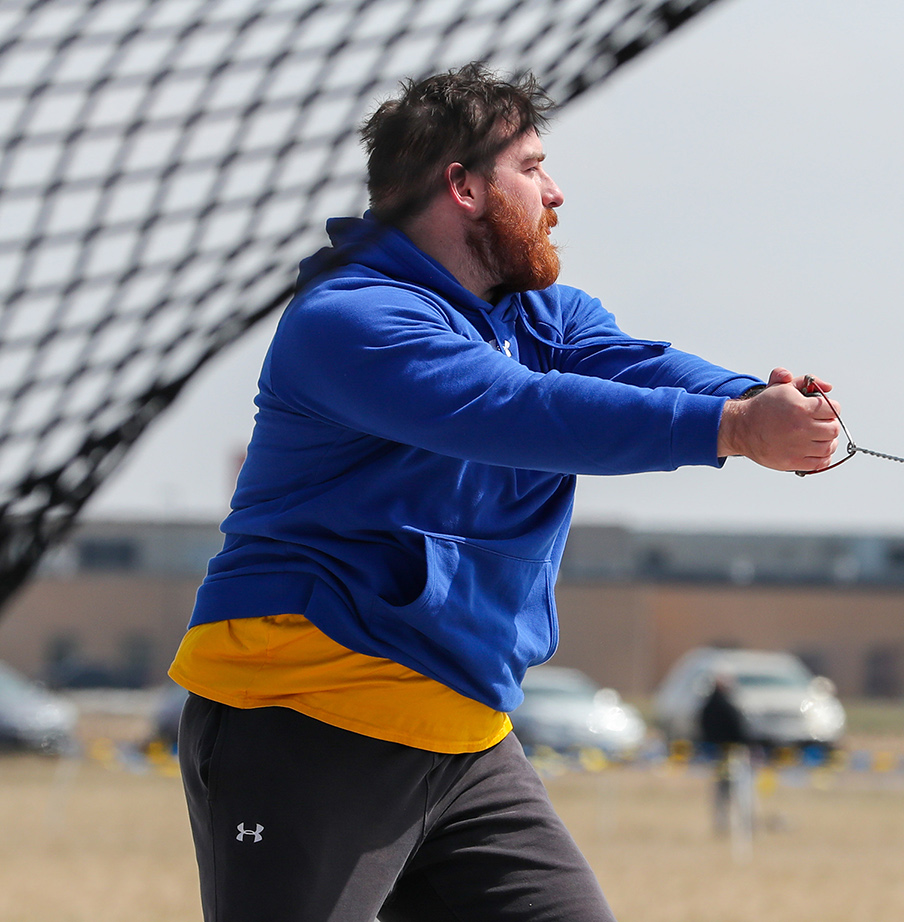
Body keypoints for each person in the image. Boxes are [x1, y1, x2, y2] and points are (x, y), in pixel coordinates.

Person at [167, 62, 840, 922]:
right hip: (304, 717)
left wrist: (753, 400)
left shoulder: (538, 313)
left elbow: (639, 367)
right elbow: (514, 409)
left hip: (466, 738)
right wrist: (737, 433)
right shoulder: (350, 319)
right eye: (531, 166)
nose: (556, 192)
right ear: (463, 187)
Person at [698, 672, 751, 836]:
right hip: (729, 754)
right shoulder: (725, 705)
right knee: (737, 792)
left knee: (721, 794)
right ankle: (740, 825)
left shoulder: (708, 705)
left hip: (715, 754)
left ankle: (723, 825)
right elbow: (739, 729)